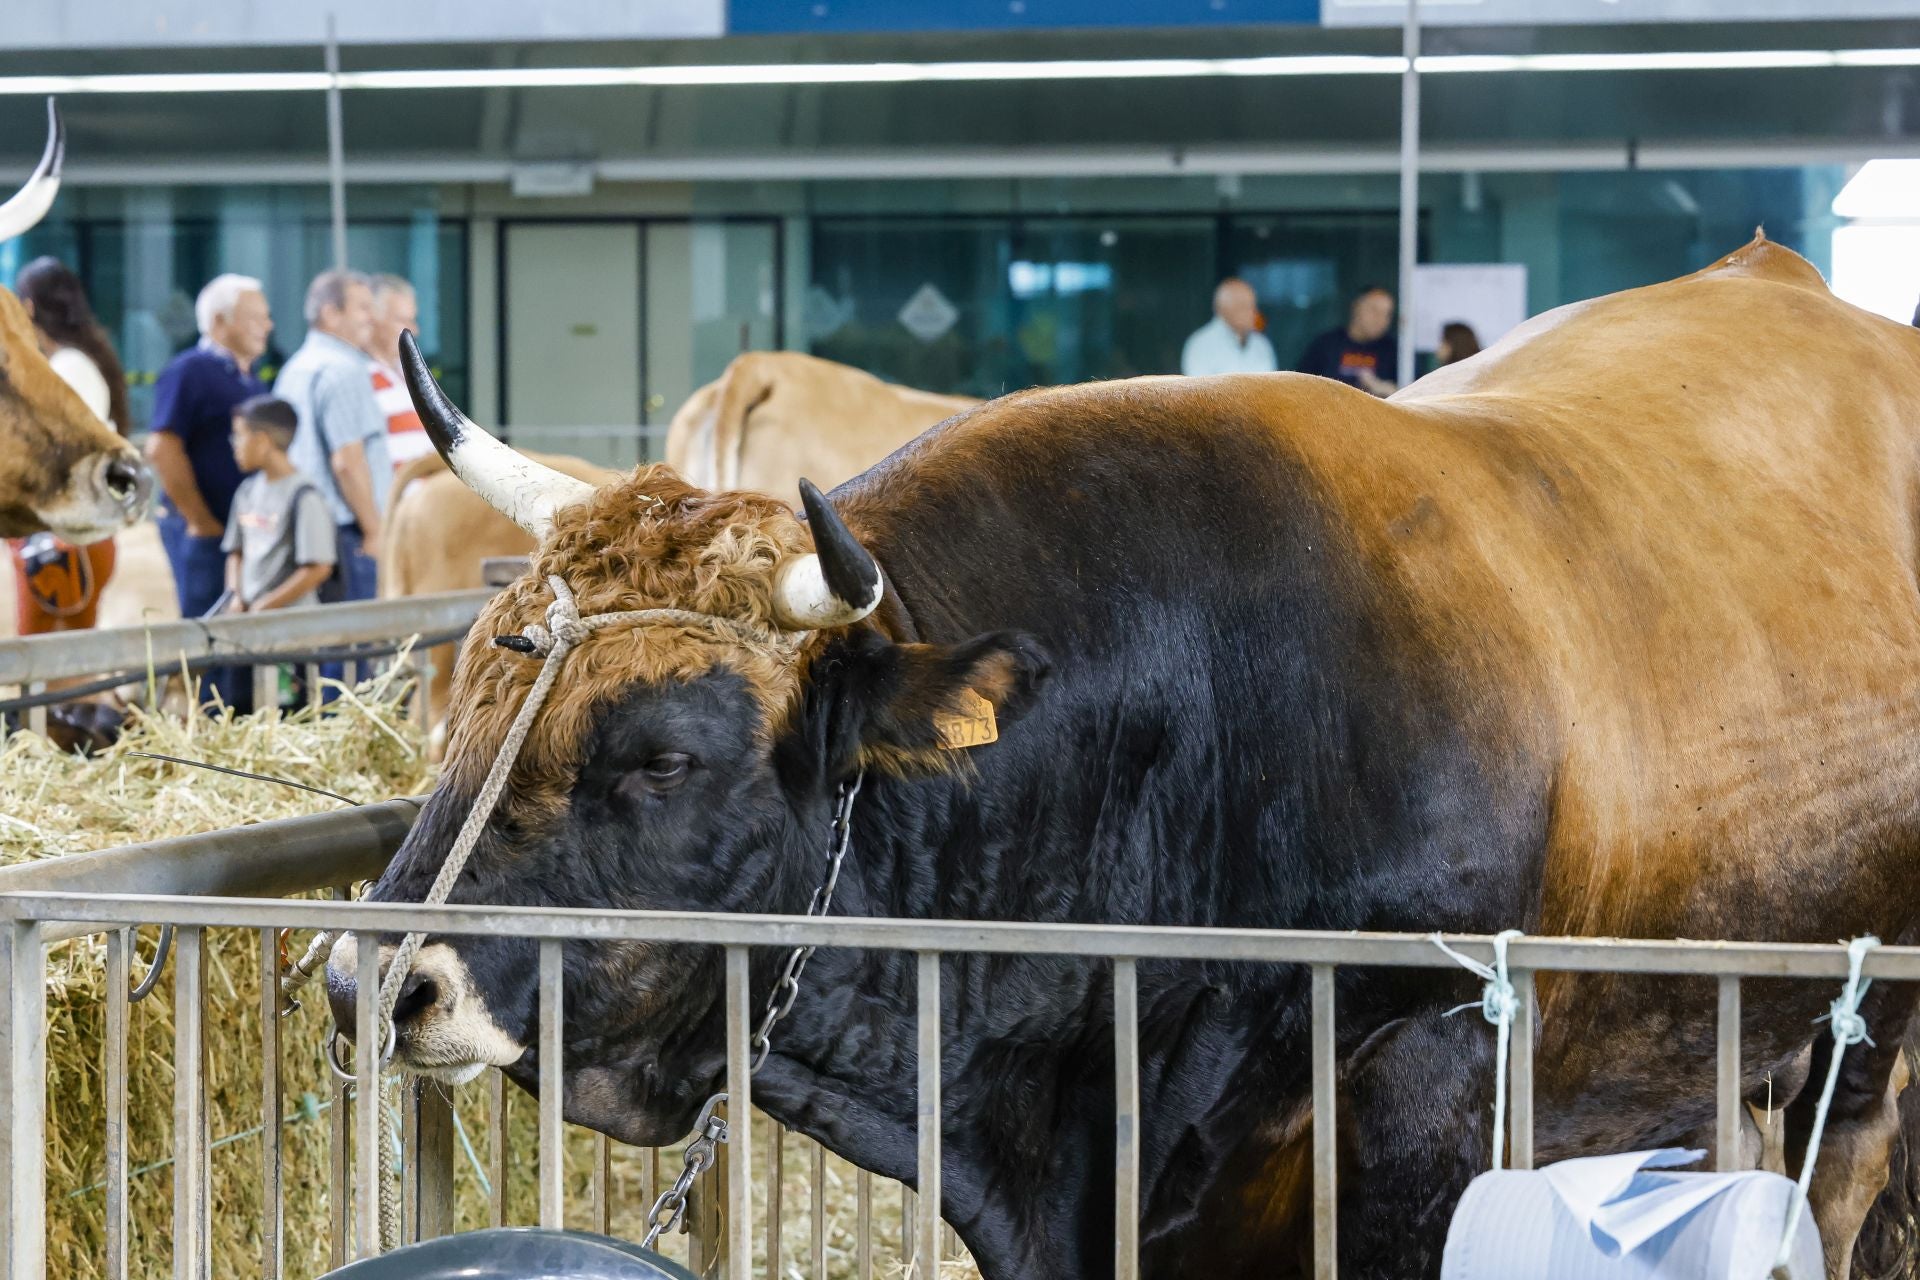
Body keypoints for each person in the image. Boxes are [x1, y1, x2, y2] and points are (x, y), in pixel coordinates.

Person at [9, 258, 130, 636]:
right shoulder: (78, 360)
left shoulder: (67, 368)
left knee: (56, 654)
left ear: (27, 307)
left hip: (66, 538)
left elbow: (64, 456)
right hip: (69, 533)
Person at [146, 273, 272, 620]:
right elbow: (162, 447)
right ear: (219, 321)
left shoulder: (250, 378)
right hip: (206, 534)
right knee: (208, 630)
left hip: (241, 533)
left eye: (266, 317)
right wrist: (199, 521)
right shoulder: (189, 370)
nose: (267, 326)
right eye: (256, 318)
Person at [276, 270, 389, 602]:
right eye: (363, 308)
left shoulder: (295, 367)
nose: (373, 318)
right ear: (330, 313)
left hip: (307, 531)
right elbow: (347, 462)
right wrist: (373, 531)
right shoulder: (344, 370)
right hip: (346, 535)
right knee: (358, 644)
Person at [223, 396, 336, 615]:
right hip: (252, 623)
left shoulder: (304, 495)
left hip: (292, 626)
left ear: (262, 441)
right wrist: (235, 595)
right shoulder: (246, 491)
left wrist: (264, 606)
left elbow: (318, 568)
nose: (234, 445)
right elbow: (235, 551)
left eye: (239, 436)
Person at [363, 274, 430, 471]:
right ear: (373, 319)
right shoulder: (361, 377)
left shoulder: (405, 372)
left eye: (413, 320)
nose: (414, 331)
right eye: (402, 320)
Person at [1297, 286, 1398, 397]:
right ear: (1356, 307)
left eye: (1387, 314)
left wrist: (1381, 387)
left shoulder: (1393, 351)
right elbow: (1300, 386)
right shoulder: (1326, 344)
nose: (1380, 319)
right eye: (1374, 310)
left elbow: (1412, 397)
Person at [1180, 278, 1277, 376]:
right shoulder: (1200, 344)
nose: (1252, 312)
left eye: (1253, 305)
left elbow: (1271, 386)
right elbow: (1199, 389)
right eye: (1243, 306)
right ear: (1223, 308)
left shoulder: (1262, 344)